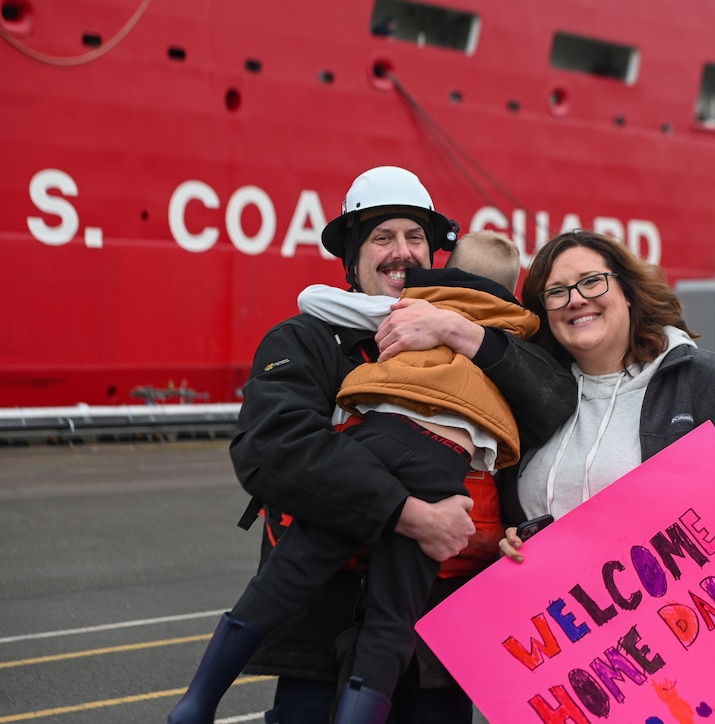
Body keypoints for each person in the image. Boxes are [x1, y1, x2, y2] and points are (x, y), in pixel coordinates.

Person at [170, 167, 575, 724]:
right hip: (317, 634)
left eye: (414, 238)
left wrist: (460, 333)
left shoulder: (486, 340)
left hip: (435, 651)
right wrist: (408, 516)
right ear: (352, 259)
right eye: (382, 238)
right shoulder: (305, 339)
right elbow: (273, 452)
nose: (400, 252)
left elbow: (553, 401)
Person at [497, 229, 715, 564]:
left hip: (673, 611)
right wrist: (508, 539)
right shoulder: (531, 393)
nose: (576, 299)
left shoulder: (700, 379)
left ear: (628, 292)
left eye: (592, 281)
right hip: (563, 610)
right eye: (557, 292)